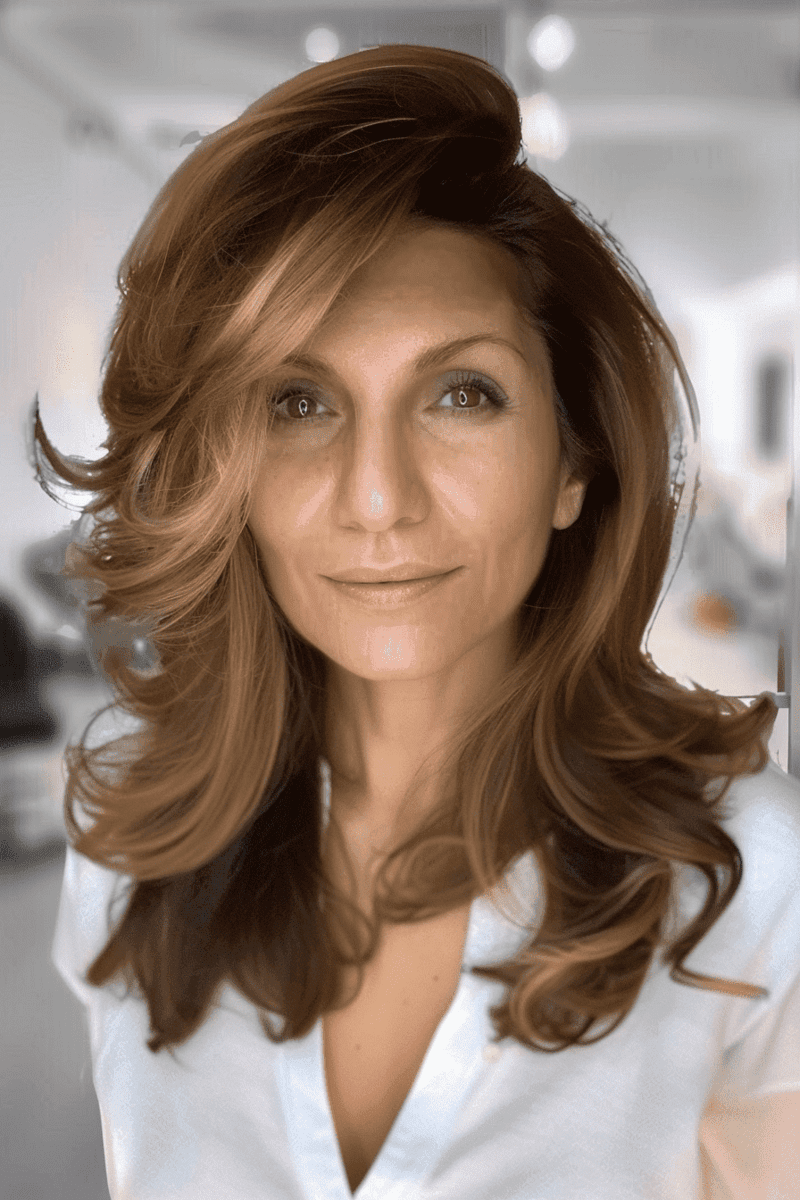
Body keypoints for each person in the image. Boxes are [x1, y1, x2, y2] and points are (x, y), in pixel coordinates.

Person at [32, 43, 799, 1200]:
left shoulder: (749, 880)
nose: (377, 498)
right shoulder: (126, 845)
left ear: (572, 462)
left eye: (460, 394)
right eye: (298, 402)